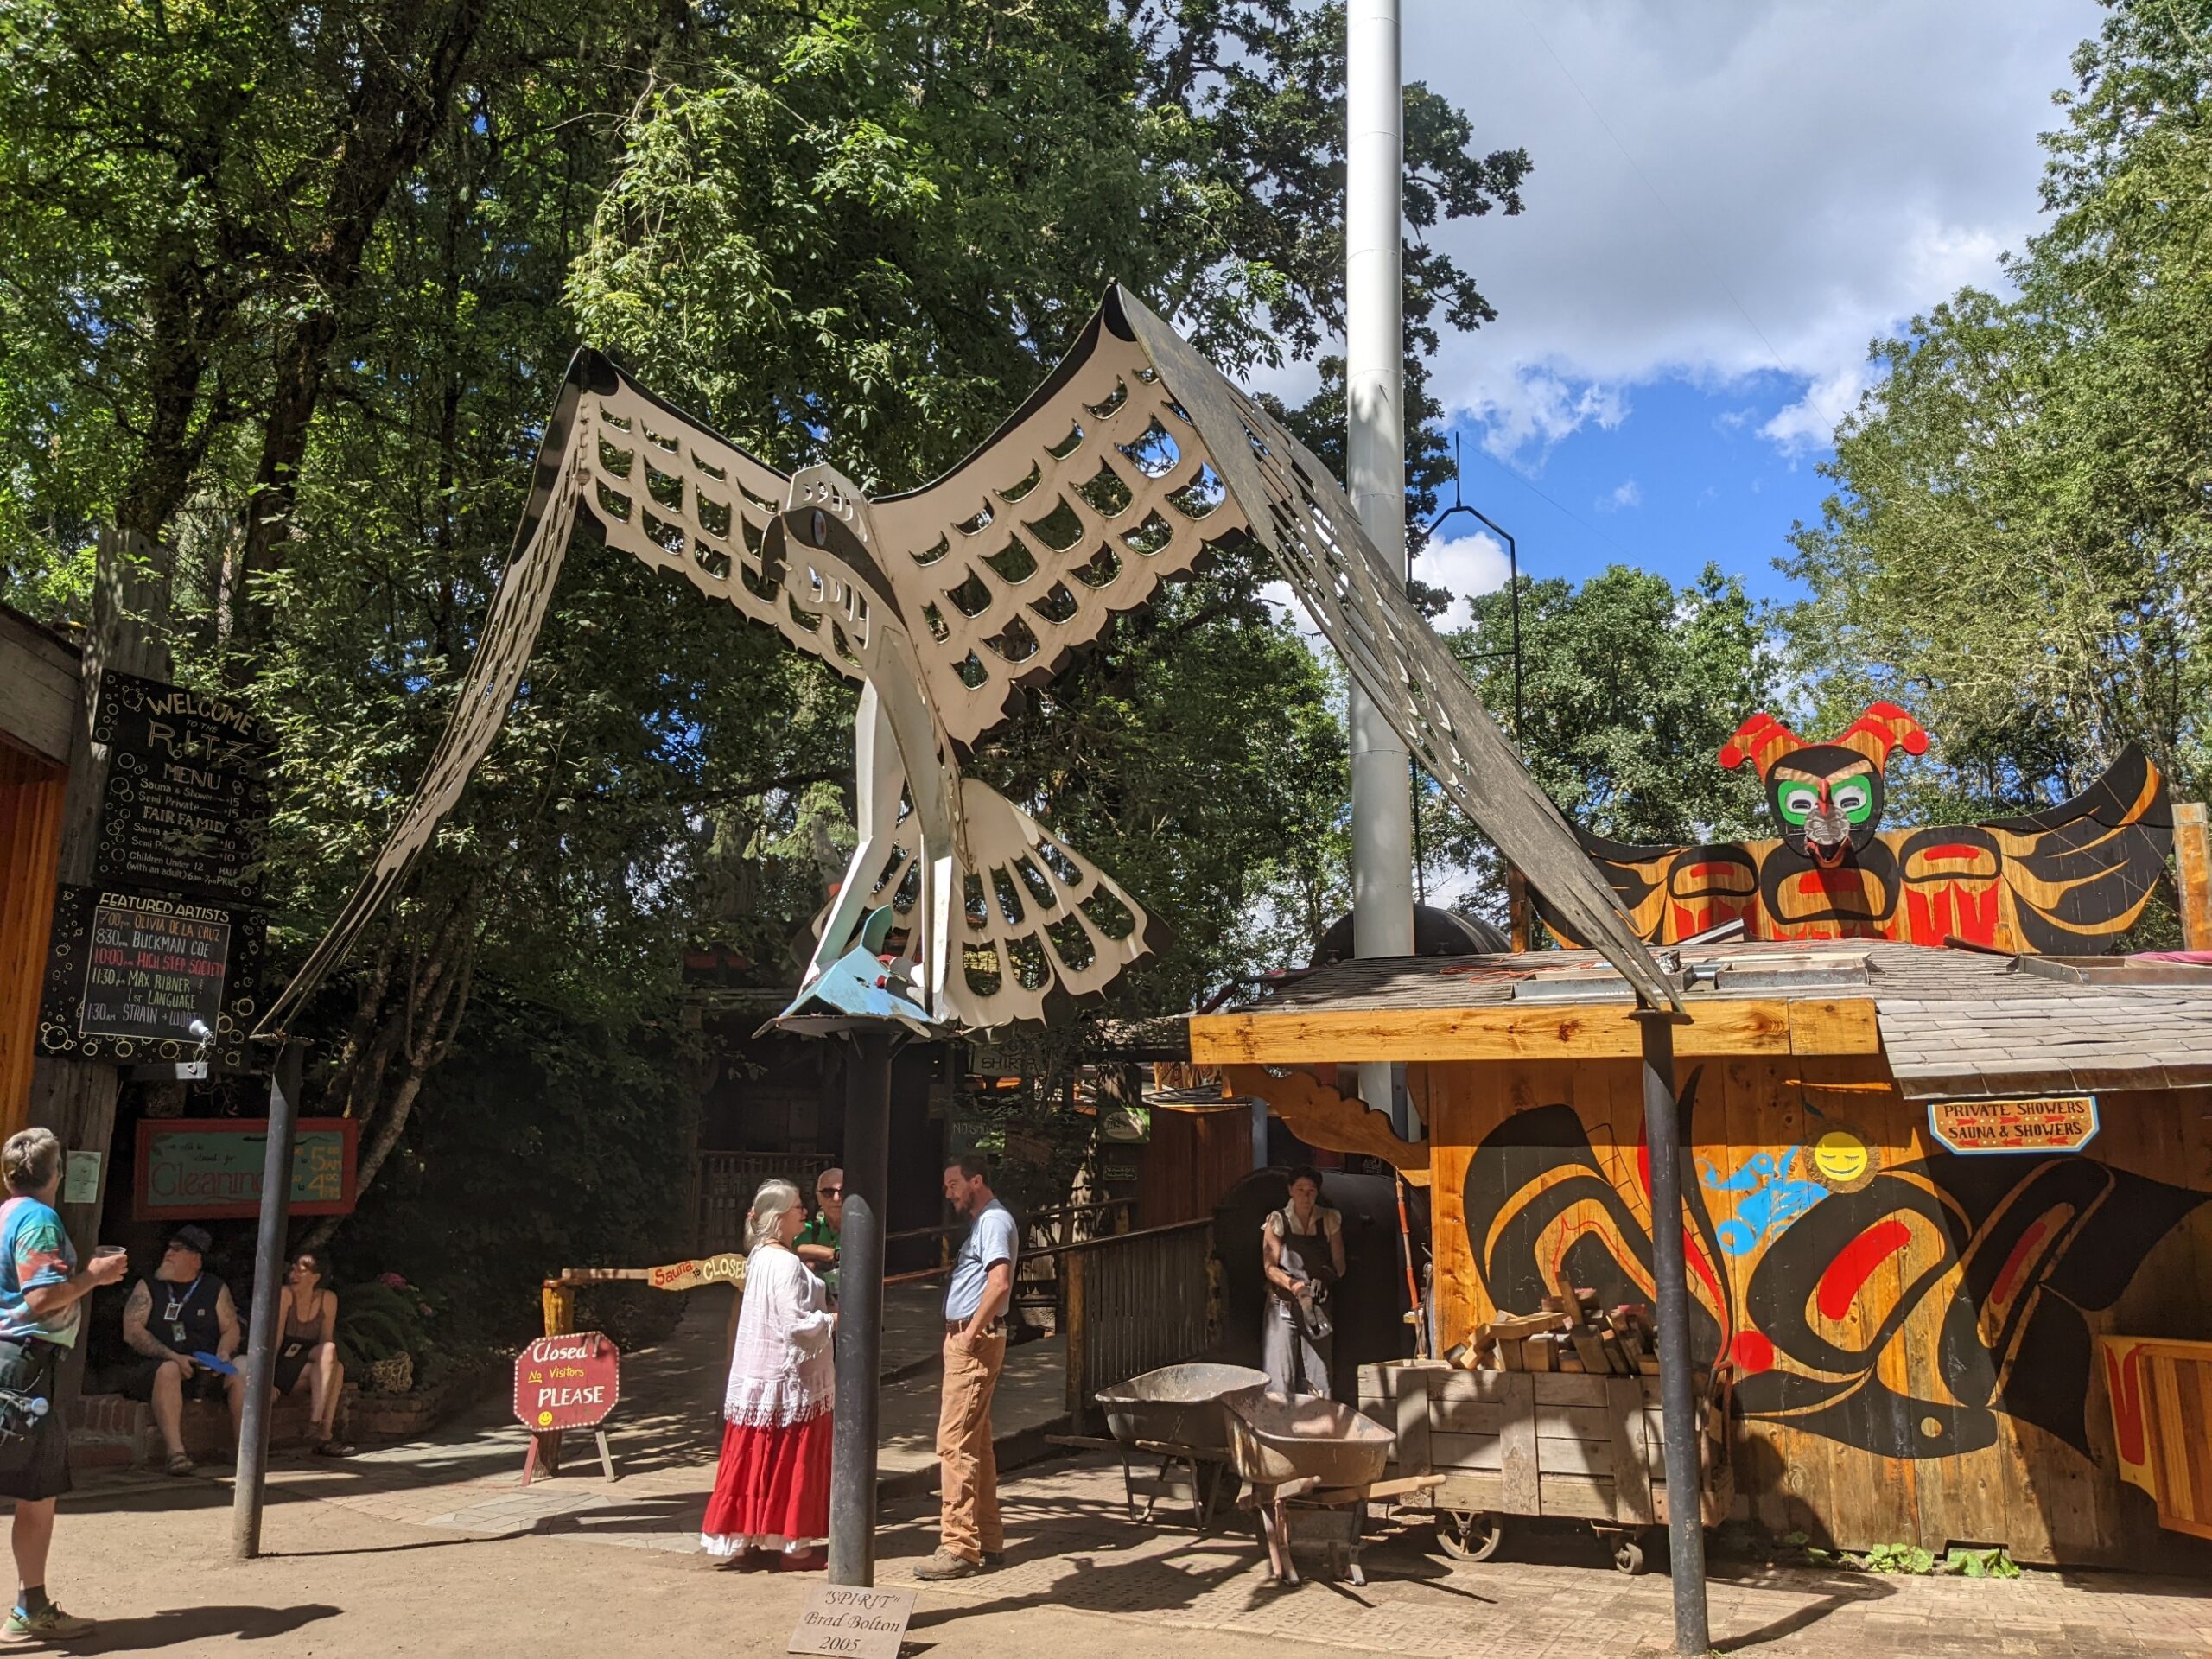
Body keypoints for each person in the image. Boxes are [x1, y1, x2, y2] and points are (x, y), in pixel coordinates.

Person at [0, 1126, 130, 1640]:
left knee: (36, 1488)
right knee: (37, 1491)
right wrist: (94, 1275)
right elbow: (41, 1298)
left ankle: (32, 1607)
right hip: (27, 1370)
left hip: (11, 1362)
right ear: (57, 1173)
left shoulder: (6, 1215)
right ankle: (31, 1610)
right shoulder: (38, 1219)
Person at [701, 1179, 835, 1571]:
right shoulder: (784, 1262)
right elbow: (794, 1325)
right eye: (797, 1208)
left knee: (755, 1458)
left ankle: (745, 1538)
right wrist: (832, 1320)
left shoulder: (761, 1256)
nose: (805, 1213)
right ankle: (794, 1545)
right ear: (778, 1218)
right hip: (786, 1380)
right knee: (792, 1460)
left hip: (761, 1377)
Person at [913, 1154, 1017, 1582]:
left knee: (954, 1442)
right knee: (977, 1443)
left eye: (954, 1184)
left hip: (973, 1341)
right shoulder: (985, 1222)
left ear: (977, 1181)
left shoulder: (992, 1221)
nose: (949, 1192)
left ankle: (958, 1545)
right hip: (973, 1339)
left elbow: (999, 1281)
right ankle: (987, 1541)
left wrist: (970, 1332)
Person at [118, 1224, 245, 1475]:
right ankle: (176, 1454)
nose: (169, 1253)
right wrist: (172, 1355)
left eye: (178, 1250)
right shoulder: (149, 1286)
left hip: (205, 1366)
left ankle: (245, 1450)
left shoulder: (214, 1288)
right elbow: (132, 1331)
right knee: (168, 1370)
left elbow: (231, 1328)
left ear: (196, 1259)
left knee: (243, 1367)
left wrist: (223, 1353)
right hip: (158, 1367)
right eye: (169, 1247)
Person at [1261, 1166, 1344, 1399]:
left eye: (1311, 1190)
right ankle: (1280, 1424)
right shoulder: (1277, 1220)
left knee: (1320, 1372)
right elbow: (1270, 1268)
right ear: (1290, 1190)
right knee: (1279, 1374)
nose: (1306, 1195)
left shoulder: (1329, 1219)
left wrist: (1326, 1276)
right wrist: (1295, 1286)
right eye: (1300, 1189)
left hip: (1316, 1304)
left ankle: (1322, 1423)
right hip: (1284, 1303)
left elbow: (1340, 1262)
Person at [265, 1249, 350, 1456]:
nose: (293, 1275)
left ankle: (319, 1428)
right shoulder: (286, 1295)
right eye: (293, 1269)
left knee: (335, 1365)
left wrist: (325, 1371)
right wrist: (268, 1380)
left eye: (300, 1271)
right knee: (334, 1365)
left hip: (306, 1361)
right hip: (283, 1363)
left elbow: (326, 1340)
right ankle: (323, 1434)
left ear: (316, 1277)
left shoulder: (327, 1299)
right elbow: (274, 1340)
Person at [793, 1167, 843, 1302]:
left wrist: (815, 1256)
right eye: (828, 1192)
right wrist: (832, 1254)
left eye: (843, 1191)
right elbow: (788, 1252)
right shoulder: (808, 1229)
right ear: (818, 1198)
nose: (837, 1198)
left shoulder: (863, 1231)